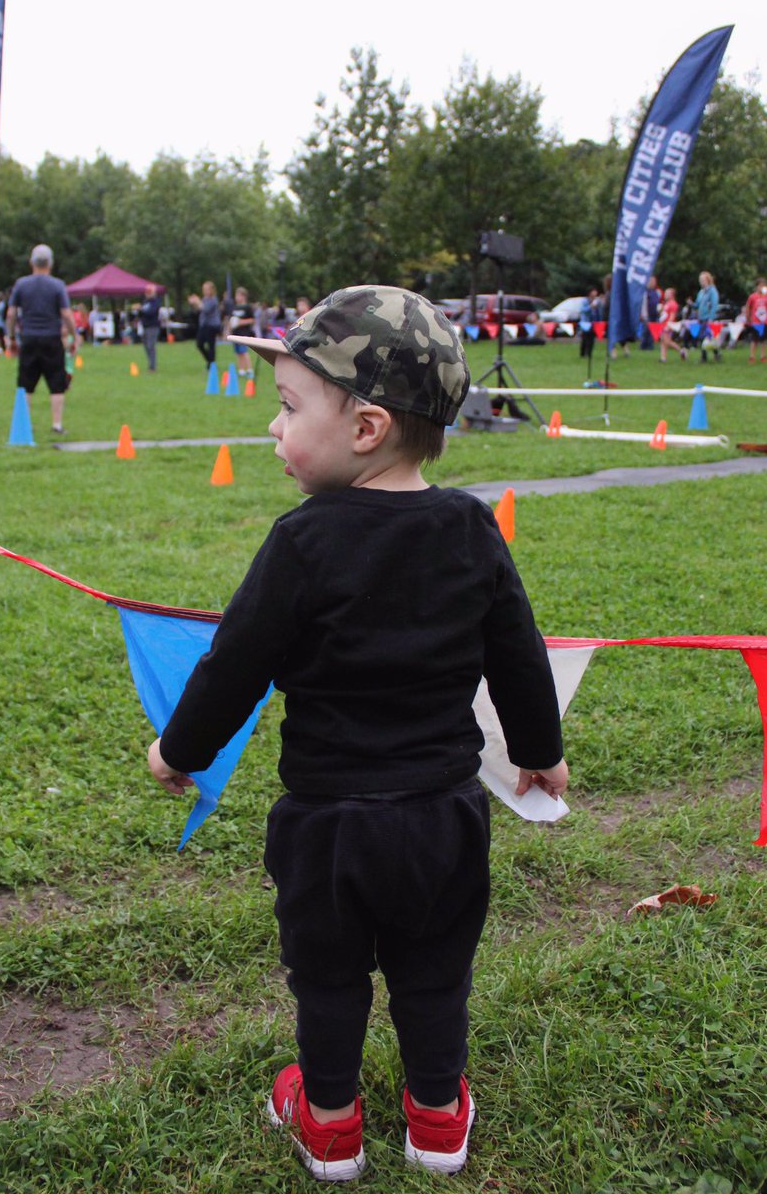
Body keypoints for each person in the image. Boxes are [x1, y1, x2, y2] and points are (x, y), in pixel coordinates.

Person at [146, 286, 567, 1181]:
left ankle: (331, 1124)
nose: (272, 429)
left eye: (290, 408)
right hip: (445, 821)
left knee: (330, 977)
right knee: (432, 973)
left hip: (328, 828)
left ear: (366, 427)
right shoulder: (470, 529)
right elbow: (519, 654)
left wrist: (176, 752)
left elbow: (234, 667)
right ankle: (438, 1117)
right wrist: (540, 751)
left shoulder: (301, 543)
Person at [6, 244, 78, 434]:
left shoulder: (21, 284)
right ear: (50, 264)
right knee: (57, 384)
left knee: (25, 384)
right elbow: (67, 314)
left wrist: (11, 336)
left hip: (28, 337)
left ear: (31, 262)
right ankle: (57, 424)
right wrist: (74, 335)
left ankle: (24, 425)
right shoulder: (57, 285)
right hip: (52, 338)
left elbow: (11, 314)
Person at [188, 281, 221, 369]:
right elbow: (199, 310)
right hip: (204, 325)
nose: (204, 291)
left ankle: (211, 364)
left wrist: (198, 301)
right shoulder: (204, 299)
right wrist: (194, 303)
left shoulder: (213, 300)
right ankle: (210, 360)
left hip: (212, 325)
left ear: (211, 290)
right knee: (199, 344)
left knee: (211, 345)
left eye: (206, 289)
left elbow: (205, 309)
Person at [743, 278, 767, 364]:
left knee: (764, 340)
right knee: (754, 339)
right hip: (755, 322)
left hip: (765, 321)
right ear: (757, 287)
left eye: (764, 285)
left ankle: (763, 356)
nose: (762, 287)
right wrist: (748, 318)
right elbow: (748, 307)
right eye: (760, 285)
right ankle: (752, 356)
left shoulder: (766, 296)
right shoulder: (752, 297)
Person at [228, 286, 256, 377]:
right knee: (238, 352)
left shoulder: (247, 307)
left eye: (239, 295)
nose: (237, 298)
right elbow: (231, 320)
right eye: (236, 295)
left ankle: (249, 369)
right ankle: (241, 369)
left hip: (244, 333)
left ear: (244, 296)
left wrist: (240, 322)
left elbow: (252, 320)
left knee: (244, 351)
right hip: (235, 333)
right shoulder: (235, 307)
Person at [693, 272, 719, 362]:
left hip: (708, 318)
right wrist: (691, 304)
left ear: (708, 280)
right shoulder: (701, 292)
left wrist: (711, 318)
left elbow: (714, 305)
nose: (701, 282)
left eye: (703, 280)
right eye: (700, 280)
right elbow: (697, 304)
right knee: (706, 337)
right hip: (701, 318)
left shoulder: (712, 291)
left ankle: (704, 357)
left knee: (706, 337)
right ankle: (717, 354)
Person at [139, 283, 162, 373]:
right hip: (145, 326)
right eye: (147, 292)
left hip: (153, 327)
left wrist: (142, 309)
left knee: (151, 346)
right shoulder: (145, 302)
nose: (148, 294)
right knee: (146, 346)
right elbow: (142, 314)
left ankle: (153, 366)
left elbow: (151, 312)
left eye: (150, 292)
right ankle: (150, 363)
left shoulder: (156, 301)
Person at [658, 287, 685, 363]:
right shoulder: (666, 303)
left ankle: (681, 350)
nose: (665, 295)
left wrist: (668, 325)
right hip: (664, 324)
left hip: (669, 325)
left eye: (667, 293)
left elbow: (672, 316)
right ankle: (663, 357)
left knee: (667, 341)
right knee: (663, 341)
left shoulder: (673, 304)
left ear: (672, 295)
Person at [640, 276, 660, 350]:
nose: (654, 283)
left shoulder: (656, 292)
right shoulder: (645, 292)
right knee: (646, 330)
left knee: (652, 331)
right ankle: (643, 346)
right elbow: (643, 304)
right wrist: (641, 314)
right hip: (646, 314)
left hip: (654, 314)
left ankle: (650, 346)